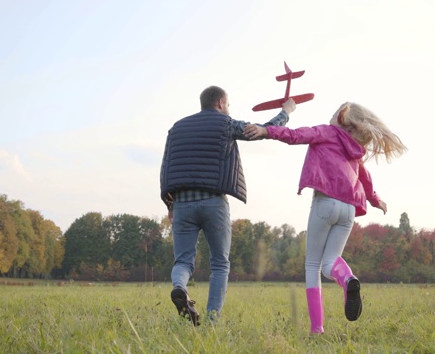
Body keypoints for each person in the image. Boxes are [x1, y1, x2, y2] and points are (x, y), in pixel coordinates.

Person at [244, 101, 407, 333]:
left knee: (313, 265)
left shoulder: (327, 132)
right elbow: (365, 178)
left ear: (341, 116)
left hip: (325, 203)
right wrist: (375, 199)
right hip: (349, 208)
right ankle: (348, 279)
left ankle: (317, 328)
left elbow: (296, 135)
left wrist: (266, 130)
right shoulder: (355, 150)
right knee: (330, 262)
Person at [160, 86, 296, 325]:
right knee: (220, 263)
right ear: (221, 102)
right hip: (214, 203)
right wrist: (286, 112)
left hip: (182, 203)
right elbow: (263, 131)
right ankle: (212, 320)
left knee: (183, 261)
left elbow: (166, 168)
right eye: (229, 105)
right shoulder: (226, 124)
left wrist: (170, 204)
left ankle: (180, 287)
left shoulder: (176, 128)